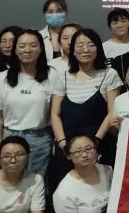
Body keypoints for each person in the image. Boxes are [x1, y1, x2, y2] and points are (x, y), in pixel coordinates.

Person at [51, 28, 122, 170]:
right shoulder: (62, 77)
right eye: (80, 45)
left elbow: (111, 112)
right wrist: (63, 143)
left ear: (98, 49)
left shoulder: (109, 74)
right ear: (73, 50)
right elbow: (55, 114)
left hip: (99, 144)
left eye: (91, 45)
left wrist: (96, 142)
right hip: (69, 147)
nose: (86, 50)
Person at [0, 29, 55, 177]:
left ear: (41, 49)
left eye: (33, 45)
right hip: (10, 137)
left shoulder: (52, 75)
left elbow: (55, 113)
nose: (27, 50)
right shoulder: (1, 78)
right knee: (11, 179)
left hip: (39, 138)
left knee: (37, 181)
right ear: (15, 50)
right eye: (22, 46)